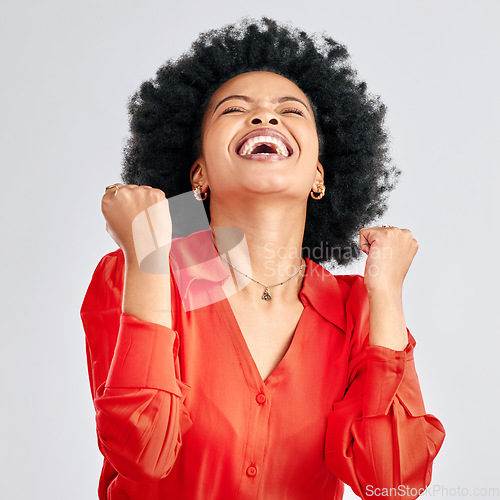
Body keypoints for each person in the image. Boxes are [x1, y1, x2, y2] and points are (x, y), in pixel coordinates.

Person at [80, 17, 445, 500]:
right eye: (235, 109)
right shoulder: (143, 272)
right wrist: (148, 248)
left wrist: (386, 296)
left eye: (289, 111)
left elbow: (391, 483)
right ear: (199, 175)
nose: (264, 117)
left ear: (319, 174)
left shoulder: (355, 307)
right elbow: (142, 454)